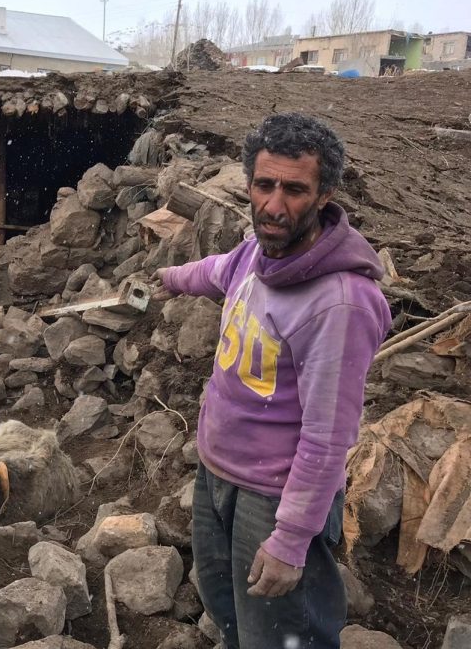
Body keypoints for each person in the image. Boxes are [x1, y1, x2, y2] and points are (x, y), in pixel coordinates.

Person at [151, 113, 391, 649]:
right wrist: (171, 279)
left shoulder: (340, 303)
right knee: (228, 608)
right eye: (264, 185)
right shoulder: (259, 253)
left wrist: (289, 539)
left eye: (295, 189)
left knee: (283, 635)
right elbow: (217, 270)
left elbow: (329, 437)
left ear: (325, 194)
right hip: (218, 473)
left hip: (275, 494)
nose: (275, 206)